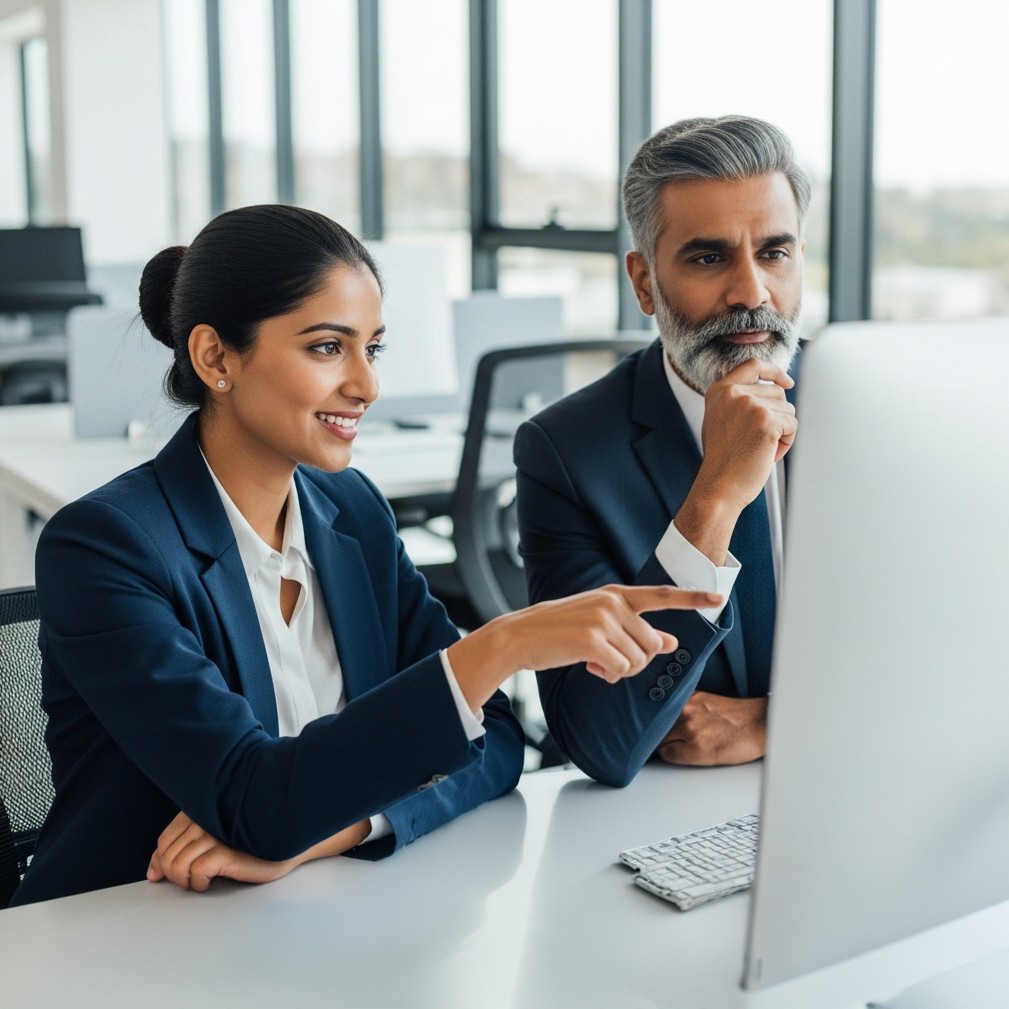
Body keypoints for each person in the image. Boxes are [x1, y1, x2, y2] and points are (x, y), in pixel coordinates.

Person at [10, 205, 720, 907]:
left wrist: (340, 828)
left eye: (371, 347)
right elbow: (253, 797)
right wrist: (502, 644)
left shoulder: (349, 512)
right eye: (327, 347)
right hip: (118, 932)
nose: (366, 384)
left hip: (320, 919)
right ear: (216, 357)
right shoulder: (105, 546)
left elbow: (498, 742)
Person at [515, 115, 806, 787]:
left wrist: (770, 724)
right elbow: (599, 738)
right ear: (644, 282)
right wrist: (714, 498)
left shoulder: (870, 408)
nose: (751, 294)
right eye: (708, 257)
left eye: (773, 253)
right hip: (674, 821)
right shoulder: (565, 452)